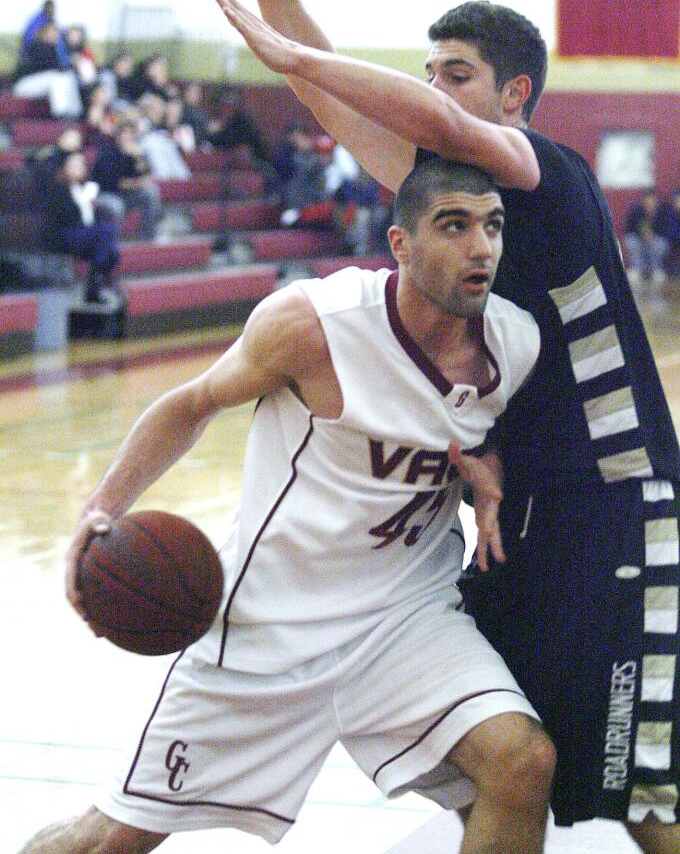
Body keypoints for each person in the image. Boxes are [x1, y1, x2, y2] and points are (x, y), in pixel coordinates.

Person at [198, 0, 680, 851]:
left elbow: (396, 109)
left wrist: (287, 52)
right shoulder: (461, 199)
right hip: (527, 525)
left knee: (647, 791)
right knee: (510, 764)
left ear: (516, 96)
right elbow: (340, 111)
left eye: (458, 77)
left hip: (617, 509)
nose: (434, 92)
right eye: (429, 74)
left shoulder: (546, 170)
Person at [17, 157, 558, 854]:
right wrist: (101, 508)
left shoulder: (515, 344)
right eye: (454, 226)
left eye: (492, 227)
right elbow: (191, 405)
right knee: (105, 842)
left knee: (522, 765)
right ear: (400, 243)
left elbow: (489, 443)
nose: (481, 247)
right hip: (266, 629)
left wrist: (492, 478)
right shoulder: (313, 324)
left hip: (405, 622)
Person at [37, 150, 122, 303]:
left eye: (81, 164)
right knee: (108, 232)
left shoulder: (88, 188)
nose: (79, 167)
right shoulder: (58, 188)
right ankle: (95, 285)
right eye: (74, 164)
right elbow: (60, 216)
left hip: (84, 233)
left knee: (113, 251)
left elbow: (93, 219)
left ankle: (96, 285)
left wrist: (91, 205)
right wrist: (82, 202)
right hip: (65, 233)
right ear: (65, 167)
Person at [91, 115, 163, 240]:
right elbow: (115, 183)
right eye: (125, 133)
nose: (128, 137)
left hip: (126, 195)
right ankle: (112, 243)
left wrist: (139, 158)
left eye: (131, 134)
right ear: (118, 135)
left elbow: (149, 176)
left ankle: (148, 237)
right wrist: (139, 183)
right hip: (105, 194)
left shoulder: (135, 153)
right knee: (116, 206)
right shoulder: (108, 153)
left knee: (152, 192)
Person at [13, 22, 83, 119]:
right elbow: (52, 66)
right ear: (44, 33)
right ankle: (60, 115)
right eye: (53, 32)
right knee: (57, 77)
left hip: (40, 84)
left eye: (57, 32)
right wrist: (70, 62)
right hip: (23, 85)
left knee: (69, 76)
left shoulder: (54, 48)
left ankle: (75, 113)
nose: (57, 35)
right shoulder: (37, 46)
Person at [623, 190, 669, 289]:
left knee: (660, 244)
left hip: (656, 240)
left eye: (652, 200)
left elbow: (667, 230)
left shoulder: (663, 211)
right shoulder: (636, 211)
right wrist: (642, 234)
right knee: (631, 241)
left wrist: (654, 236)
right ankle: (636, 269)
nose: (649, 203)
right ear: (643, 200)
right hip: (639, 240)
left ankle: (656, 269)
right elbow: (628, 229)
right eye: (647, 200)